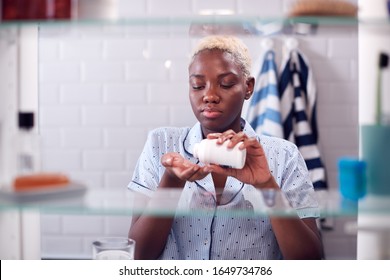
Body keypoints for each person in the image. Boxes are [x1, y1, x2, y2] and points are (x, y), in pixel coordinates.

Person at [128, 35, 323, 260]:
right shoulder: (161, 144)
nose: (209, 95)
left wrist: (267, 186)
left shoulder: (284, 155)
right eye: (198, 85)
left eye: (226, 83)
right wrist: (172, 181)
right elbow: (138, 256)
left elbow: (309, 262)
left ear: (248, 87)